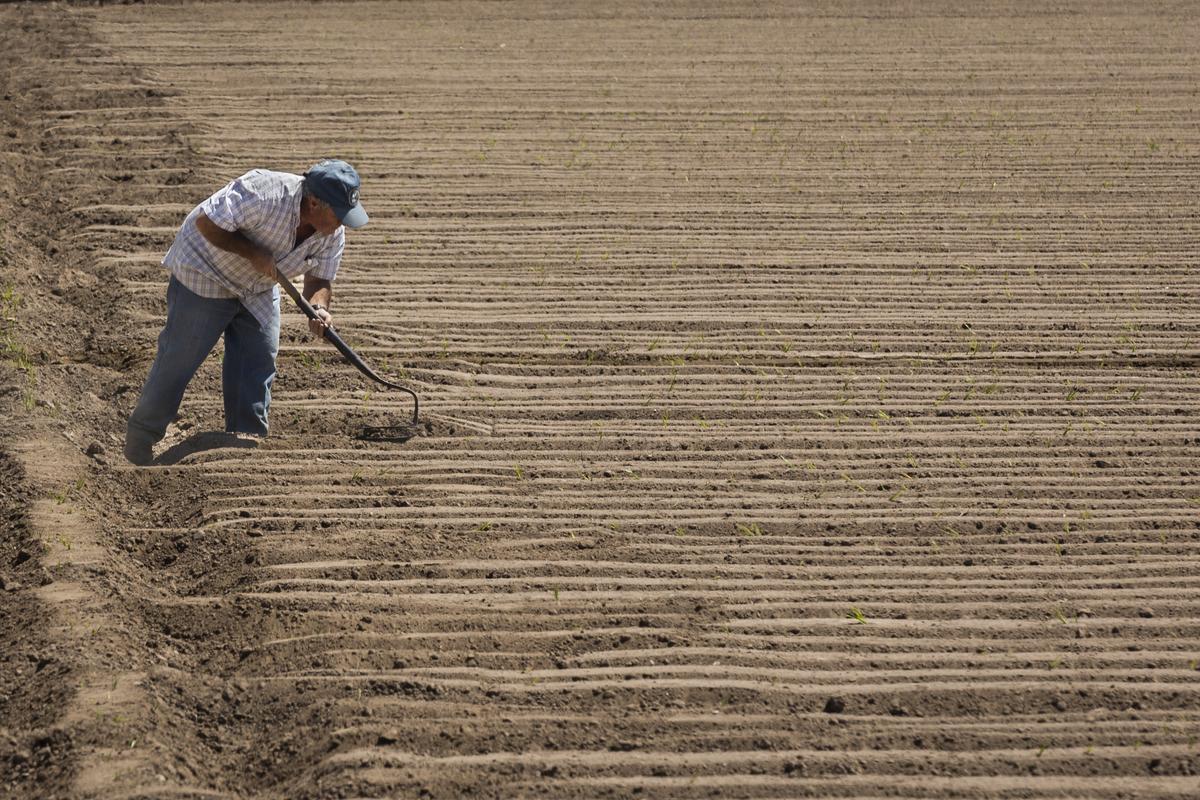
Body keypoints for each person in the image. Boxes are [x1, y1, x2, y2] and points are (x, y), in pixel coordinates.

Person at [124, 159, 368, 466]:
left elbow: (319, 278)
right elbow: (206, 222)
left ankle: (243, 445)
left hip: (257, 288)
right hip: (205, 271)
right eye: (340, 215)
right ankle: (140, 441)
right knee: (180, 358)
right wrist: (253, 253)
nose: (343, 223)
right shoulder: (263, 193)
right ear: (314, 202)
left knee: (258, 358)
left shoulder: (332, 232)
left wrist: (318, 307)